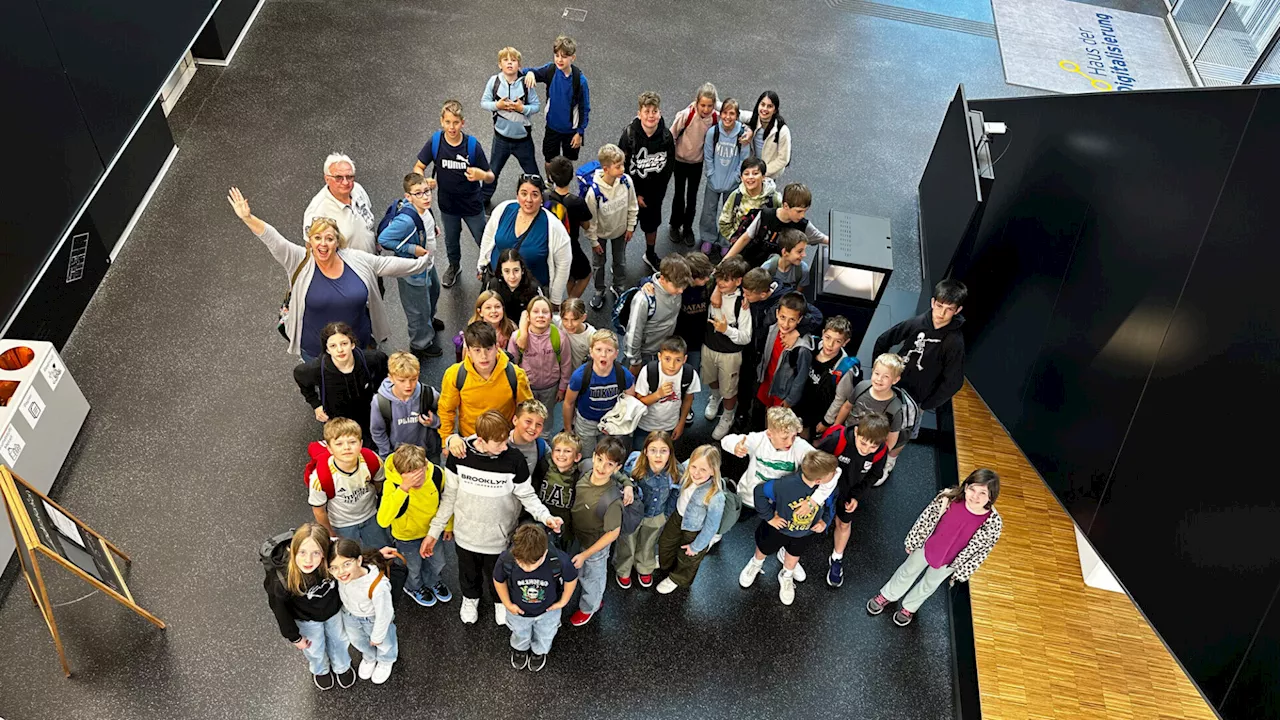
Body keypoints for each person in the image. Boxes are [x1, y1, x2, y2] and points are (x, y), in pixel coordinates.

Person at [228, 188, 430, 361]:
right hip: (316, 350)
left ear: (337, 242)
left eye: (329, 238)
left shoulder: (354, 258)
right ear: (310, 241)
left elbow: (386, 264)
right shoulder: (299, 259)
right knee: (326, 389)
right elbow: (273, 238)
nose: (323, 243)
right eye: (317, 238)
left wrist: (422, 263)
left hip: (357, 344)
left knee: (361, 386)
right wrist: (248, 218)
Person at [426, 411, 563, 626]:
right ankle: (471, 599)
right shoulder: (459, 456)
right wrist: (434, 532)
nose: (505, 446)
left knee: (498, 573)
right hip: (466, 535)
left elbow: (525, 494)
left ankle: (500, 601)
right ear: (480, 440)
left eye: (505, 440)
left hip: (499, 537)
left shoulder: (514, 459)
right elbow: (449, 497)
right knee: (468, 573)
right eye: (498, 443)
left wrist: (546, 517)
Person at [868, 468, 1002, 626]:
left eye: (983, 493)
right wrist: (913, 540)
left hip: (950, 561)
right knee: (907, 571)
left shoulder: (993, 523)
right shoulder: (948, 499)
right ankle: (889, 594)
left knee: (929, 584)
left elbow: (982, 552)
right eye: (972, 489)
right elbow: (925, 519)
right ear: (966, 487)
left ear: (991, 497)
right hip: (927, 547)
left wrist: (963, 572)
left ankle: (909, 607)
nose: (975, 496)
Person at [872, 279, 967, 480]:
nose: (941, 313)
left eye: (948, 309)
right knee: (878, 420)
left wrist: (926, 404)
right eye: (939, 306)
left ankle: (888, 463)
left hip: (917, 398)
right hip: (892, 386)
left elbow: (953, 381)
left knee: (903, 432)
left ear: (957, 310)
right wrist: (878, 374)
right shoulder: (916, 323)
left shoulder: (954, 342)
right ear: (933, 302)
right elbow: (883, 340)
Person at [412, 100, 495, 290]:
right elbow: (418, 167)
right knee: (451, 240)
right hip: (448, 205)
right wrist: (423, 181)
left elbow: (490, 176)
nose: (452, 127)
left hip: (472, 205)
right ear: (442, 121)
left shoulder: (472, 146)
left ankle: (490, 270)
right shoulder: (435, 142)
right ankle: (454, 266)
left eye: (456, 123)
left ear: (463, 123)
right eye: (448, 122)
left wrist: (481, 175)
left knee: (483, 239)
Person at [739, 451, 838, 606]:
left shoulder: (827, 488)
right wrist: (770, 517)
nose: (835, 475)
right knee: (764, 547)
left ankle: (786, 574)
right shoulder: (785, 485)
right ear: (818, 480)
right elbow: (760, 491)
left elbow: (831, 505)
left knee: (794, 552)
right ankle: (756, 563)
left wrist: (825, 521)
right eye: (832, 474)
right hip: (778, 528)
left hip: (804, 532)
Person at [264, 524, 352, 690]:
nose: (308, 560)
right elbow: (279, 610)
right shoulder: (281, 578)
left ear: (325, 554)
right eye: (302, 552)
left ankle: (342, 666)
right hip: (306, 619)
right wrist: (294, 637)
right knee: (314, 647)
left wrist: (374, 558)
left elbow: (352, 561)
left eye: (316, 553)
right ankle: (320, 669)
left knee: (339, 640)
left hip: (333, 611)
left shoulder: (334, 560)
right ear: (292, 550)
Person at [813, 414, 890, 587]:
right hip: (823, 489)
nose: (867, 449)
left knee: (844, 524)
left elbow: (874, 475)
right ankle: (790, 548)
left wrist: (856, 496)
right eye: (863, 443)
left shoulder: (880, 452)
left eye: (873, 446)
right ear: (856, 432)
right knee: (811, 519)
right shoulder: (836, 440)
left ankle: (837, 558)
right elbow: (815, 461)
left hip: (848, 492)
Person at [376, 444, 453, 607]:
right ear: (399, 474)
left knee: (437, 562)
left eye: (420, 475)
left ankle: (434, 581)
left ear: (425, 465)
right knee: (412, 567)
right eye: (411, 477)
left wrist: (448, 525)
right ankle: (413, 587)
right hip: (406, 537)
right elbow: (383, 520)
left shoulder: (437, 474)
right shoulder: (392, 485)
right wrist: (404, 488)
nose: (418, 482)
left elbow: (446, 501)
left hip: (432, 533)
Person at [478, 174, 573, 307]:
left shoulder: (553, 226)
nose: (529, 199)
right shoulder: (503, 209)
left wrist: (555, 300)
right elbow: (488, 235)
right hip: (498, 286)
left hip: (531, 295)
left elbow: (563, 263)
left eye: (535, 194)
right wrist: (482, 264)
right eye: (524, 193)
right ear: (517, 195)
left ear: (541, 198)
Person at [493, 524, 578, 671]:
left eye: (532, 564)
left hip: (548, 611)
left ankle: (539, 652)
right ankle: (520, 649)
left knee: (546, 634)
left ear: (545, 553)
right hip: (518, 610)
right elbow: (498, 580)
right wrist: (507, 604)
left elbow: (571, 578)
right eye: (521, 563)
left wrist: (563, 602)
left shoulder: (558, 560)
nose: (526, 568)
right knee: (519, 632)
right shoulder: (507, 559)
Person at [568, 436, 633, 626]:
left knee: (593, 578)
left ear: (617, 468)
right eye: (599, 459)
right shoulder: (585, 468)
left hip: (595, 547)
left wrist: (586, 554)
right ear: (594, 456)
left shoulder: (611, 499)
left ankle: (590, 606)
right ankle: (593, 598)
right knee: (583, 574)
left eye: (609, 464)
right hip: (578, 537)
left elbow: (612, 533)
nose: (602, 467)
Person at [378, 173, 444, 359]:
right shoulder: (406, 221)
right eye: (419, 193)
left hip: (427, 265)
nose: (425, 197)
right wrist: (411, 248)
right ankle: (420, 343)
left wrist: (433, 229)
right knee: (417, 309)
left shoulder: (424, 208)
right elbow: (384, 239)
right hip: (413, 271)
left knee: (433, 292)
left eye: (427, 192)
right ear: (408, 197)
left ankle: (428, 322)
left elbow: (426, 224)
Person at [293, 322, 388, 450]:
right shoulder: (316, 369)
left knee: (372, 446)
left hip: (368, 413)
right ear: (327, 349)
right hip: (338, 417)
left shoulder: (370, 359)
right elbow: (300, 375)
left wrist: (379, 392)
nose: (340, 350)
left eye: (344, 343)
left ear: (352, 344)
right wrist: (316, 404)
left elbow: (383, 367)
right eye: (333, 346)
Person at [439, 321, 534, 446]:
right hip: (470, 441)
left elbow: (526, 409)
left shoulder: (516, 375)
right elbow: (446, 410)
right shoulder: (454, 375)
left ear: (497, 347)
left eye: (488, 349)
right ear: (468, 352)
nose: (483, 356)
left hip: (505, 441)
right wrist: (447, 440)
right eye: (477, 350)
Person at [306, 418, 389, 547]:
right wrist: (331, 534)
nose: (346, 448)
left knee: (382, 553)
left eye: (352, 442)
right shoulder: (321, 478)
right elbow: (319, 510)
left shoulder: (372, 460)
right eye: (339, 444)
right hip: (342, 524)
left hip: (372, 516)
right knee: (351, 558)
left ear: (361, 444)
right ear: (329, 448)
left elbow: (380, 484)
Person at [655, 444, 726, 594]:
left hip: (694, 529)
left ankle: (677, 578)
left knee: (688, 558)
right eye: (694, 467)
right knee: (665, 542)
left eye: (703, 470)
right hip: (677, 517)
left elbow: (711, 526)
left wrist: (697, 546)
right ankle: (666, 564)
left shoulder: (716, 496)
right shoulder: (688, 469)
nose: (696, 473)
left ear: (713, 471)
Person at [618, 91, 676, 272]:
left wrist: (655, 195)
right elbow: (620, 167)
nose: (651, 115)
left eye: (654, 111)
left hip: (654, 195)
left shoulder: (666, 137)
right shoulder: (629, 135)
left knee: (652, 226)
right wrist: (634, 194)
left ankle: (650, 254)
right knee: (626, 227)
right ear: (639, 113)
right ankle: (619, 259)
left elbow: (668, 168)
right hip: (631, 194)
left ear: (659, 113)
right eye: (647, 111)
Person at [329, 538, 398, 684]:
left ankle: (386, 660)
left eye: (346, 564)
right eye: (334, 567)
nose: (340, 572)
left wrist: (378, 636)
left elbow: (384, 614)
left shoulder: (378, 586)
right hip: (350, 615)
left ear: (359, 561)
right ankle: (369, 657)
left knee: (385, 643)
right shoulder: (345, 575)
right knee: (358, 641)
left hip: (373, 618)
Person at [480, 47, 542, 205]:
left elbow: (536, 106)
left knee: (532, 173)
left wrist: (523, 109)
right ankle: (482, 199)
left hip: (523, 140)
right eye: (506, 60)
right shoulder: (494, 81)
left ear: (519, 65)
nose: (509, 63)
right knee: (492, 172)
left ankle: (540, 200)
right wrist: (497, 105)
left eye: (513, 60)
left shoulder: (526, 84)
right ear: (500, 64)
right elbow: (484, 103)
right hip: (501, 139)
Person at [616, 432, 677, 588]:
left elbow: (675, 493)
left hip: (656, 515)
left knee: (649, 542)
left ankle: (644, 566)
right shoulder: (635, 466)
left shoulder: (674, 472)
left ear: (670, 452)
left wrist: (666, 515)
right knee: (627, 542)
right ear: (645, 451)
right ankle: (623, 569)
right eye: (653, 450)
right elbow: (622, 481)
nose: (658, 455)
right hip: (634, 514)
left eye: (663, 450)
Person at [702, 256, 753, 440]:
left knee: (729, 390)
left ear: (738, 281)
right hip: (708, 347)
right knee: (710, 379)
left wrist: (727, 330)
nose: (720, 283)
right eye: (719, 279)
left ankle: (728, 416)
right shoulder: (712, 289)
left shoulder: (743, 304)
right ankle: (715, 398)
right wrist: (716, 287)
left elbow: (746, 337)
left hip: (730, 355)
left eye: (726, 279)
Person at [820, 352, 907, 459]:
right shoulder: (862, 387)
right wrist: (835, 427)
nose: (879, 379)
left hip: (867, 447)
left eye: (886, 377)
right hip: (847, 436)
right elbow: (847, 407)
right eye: (877, 373)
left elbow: (892, 436)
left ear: (895, 380)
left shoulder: (894, 408)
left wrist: (878, 455)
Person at [582, 143, 638, 310]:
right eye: (618, 166)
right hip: (600, 235)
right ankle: (599, 290)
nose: (622, 169)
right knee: (599, 264)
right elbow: (590, 221)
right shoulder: (594, 193)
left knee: (620, 261)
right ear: (606, 169)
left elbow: (632, 205)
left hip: (620, 232)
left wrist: (630, 226)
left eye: (622, 164)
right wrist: (594, 242)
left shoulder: (626, 181)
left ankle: (618, 286)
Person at [563, 329, 635, 457]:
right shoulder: (580, 376)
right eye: (599, 350)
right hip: (586, 422)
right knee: (586, 456)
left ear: (616, 354)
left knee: (607, 456)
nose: (604, 355)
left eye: (609, 350)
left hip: (610, 422)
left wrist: (616, 423)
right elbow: (569, 403)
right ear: (591, 352)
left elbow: (630, 403)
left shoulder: (624, 375)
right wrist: (568, 429)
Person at [521, 35, 591, 168]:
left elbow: (585, 109)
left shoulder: (580, 81)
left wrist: (580, 133)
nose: (559, 60)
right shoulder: (551, 70)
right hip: (552, 127)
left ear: (573, 58)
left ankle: (563, 186)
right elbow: (526, 71)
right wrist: (530, 73)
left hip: (571, 131)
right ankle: (549, 183)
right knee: (549, 160)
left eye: (564, 56)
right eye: (557, 55)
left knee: (567, 163)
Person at [723, 183, 829, 269]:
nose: (802, 216)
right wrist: (725, 261)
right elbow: (745, 238)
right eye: (799, 211)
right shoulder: (765, 215)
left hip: (775, 275)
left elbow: (824, 239)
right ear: (786, 206)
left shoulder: (803, 225)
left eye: (805, 211)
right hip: (751, 265)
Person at [668, 83, 720, 247]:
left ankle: (688, 227)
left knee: (692, 196)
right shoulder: (686, 115)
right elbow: (672, 135)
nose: (705, 109)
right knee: (679, 194)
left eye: (709, 106)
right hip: (680, 160)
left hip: (696, 163)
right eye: (702, 105)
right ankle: (675, 225)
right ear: (696, 102)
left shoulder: (714, 118)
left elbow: (734, 120)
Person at [509, 297, 571, 434]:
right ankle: (526, 439)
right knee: (526, 416)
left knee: (546, 417)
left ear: (551, 316)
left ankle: (544, 440)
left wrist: (562, 388)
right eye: (536, 311)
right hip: (527, 387)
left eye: (545, 312)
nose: (540, 315)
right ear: (528, 316)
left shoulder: (559, 337)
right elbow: (512, 366)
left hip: (550, 387)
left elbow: (566, 364)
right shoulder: (516, 337)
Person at [623, 255, 692, 374]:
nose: (681, 291)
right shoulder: (644, 300)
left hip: (663, 351)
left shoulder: (675, 290)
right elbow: (633, 333)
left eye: (683, 286)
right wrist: (635, 361)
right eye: (677, 286)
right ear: (663, 279)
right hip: (644, 355)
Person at [700, 98, 750, 254]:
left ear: (737, 116)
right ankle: (708, 238)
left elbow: (744, 159)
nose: (728, 117)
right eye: (725, 113)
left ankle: (725, 240)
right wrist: (710, 174)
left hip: (732, 182)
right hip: (714, 180)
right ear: (720, 114)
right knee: (709, 210)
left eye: (732, 114)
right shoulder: (713, 133)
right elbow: (708, 155)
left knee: (729, 212)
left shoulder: (742, 134)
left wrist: (736, 178)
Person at [370, 351, 440, 461]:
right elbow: (378, 431)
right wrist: (386, 455)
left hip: (427, 453)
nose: (408, 385)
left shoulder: (429, 394)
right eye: (402, 380)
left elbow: (446, 417)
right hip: (398, 456)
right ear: (391, 378)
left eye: (413, 379)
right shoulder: (380, 402)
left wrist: (434, 422)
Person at [632, 337, 701, 446]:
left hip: (670, 426)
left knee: (665, 458)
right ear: (659, 357)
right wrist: (658, 394)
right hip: (645, 426)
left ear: (684, 359)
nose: (672, 365)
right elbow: (639, 401)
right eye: (667, 359)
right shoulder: (649, 371)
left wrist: (681, 423)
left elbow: (688, 399)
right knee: (639, 456)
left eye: (678, 360)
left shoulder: (689, 374)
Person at [794, 316, 856, 438]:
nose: (830, 344)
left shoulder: (844, 369)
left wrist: (826, 421)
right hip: (797, 405)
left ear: (845, 342)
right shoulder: (811, 347)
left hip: (815, 416)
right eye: (828, 337)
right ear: (823, 333)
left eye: (837, 341)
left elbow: (840, 399)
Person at [755, 293, 815, 417]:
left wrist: (790, 400)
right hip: (768, 382)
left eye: (792, 319)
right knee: (768, 412)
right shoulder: (773, 329)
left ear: (799, 319)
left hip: (783, 392)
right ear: (777, 313)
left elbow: (801, 378)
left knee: (777, 420)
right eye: (782, 317)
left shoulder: (803, 349)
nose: (786, 324)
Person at [304, 153, 376, 255]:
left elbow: (368, 222)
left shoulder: (358, 189)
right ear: (327, 179)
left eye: (349, 177)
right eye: (338, 177)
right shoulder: (317, 210)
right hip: (348, 269)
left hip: (372, 263)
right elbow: (312, 250)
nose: (346, 182)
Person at [545, 157, 594, 299]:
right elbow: (586, 225)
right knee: (585, 274)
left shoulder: (546, 197)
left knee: (568, 275)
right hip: (570, 245)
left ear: (551, 176)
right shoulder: (577, 202)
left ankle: (569, 301)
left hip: (552, 245)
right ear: (571, 177)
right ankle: (570, 305)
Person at [716, 157, 781, 258]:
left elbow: (782, 222)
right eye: (746, 174)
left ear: (763, 177)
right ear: (741, 178)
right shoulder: (736, 196)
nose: (750, 177)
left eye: (755, 173)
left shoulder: (774, 199)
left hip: (764, 251)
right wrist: (734, 239)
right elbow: (724, 222)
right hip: (740, 249)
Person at [535, 431, 584, 552]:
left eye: (567, 451)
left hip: (565, 524)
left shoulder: (578, 476)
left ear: (577, 457)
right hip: (541, 517)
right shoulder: (544, 466)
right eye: (557, 450)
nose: (561, 454)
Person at [671, 252, 713, 380]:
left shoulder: (709, 285)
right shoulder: (679, 288)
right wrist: (647, 285)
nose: (707, 279)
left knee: (691, 377)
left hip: (697, 342)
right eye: (703, 277)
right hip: (677, 341)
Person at [742, 91, 792, 180]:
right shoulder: (753, 118)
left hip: (768, 175)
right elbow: (732, 111)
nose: (765, 109)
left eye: (769, 106)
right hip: (752, 171)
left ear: (775, 110)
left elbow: (783, 159)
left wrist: (762, 172)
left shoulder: (782, 130)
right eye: (763, 104)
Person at [457, 290, 518, 360]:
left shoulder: (511, 327)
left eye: (497, 307)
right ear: (480, 312)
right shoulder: (473, 332)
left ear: (503, 309)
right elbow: (466, 359)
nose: (494, 311)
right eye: (488, 308)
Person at [489, 248, 542, 324]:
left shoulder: (534, 288)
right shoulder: (493, 285)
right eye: (507, 271)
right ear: (501, 272)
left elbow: (542, 312)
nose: (512, 276)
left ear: (522, 270)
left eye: (516, 270)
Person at [506, 399, 550, 476]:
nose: (533, 428)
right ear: (515, 420)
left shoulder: (541, 446)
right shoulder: (499, 443)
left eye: (538, 424)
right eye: (528, 421)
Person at [556, 297, 595, 368]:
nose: (569, 324)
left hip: (576, 373)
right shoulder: (558, 323)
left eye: (574, 320)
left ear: (583, 317)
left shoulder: (591, 336)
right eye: (565, 319)